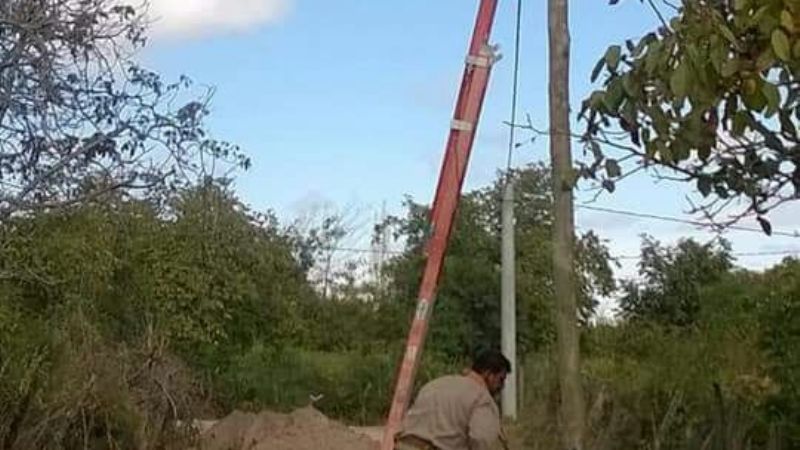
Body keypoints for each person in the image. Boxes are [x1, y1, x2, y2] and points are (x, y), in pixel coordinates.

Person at [395, 350, 511, 450]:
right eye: (501, 379)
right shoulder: (481, 398)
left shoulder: (435, 384)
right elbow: (480, 440)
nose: (502, 386)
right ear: (489, 374)